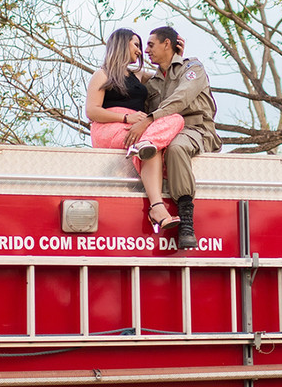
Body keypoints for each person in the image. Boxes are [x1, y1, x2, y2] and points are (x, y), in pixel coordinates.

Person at [125, 25, 220, 250]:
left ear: (167, 44)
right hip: (166, 133)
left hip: (197, 130)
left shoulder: (193, 67)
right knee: (154, 148)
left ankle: (186, 220)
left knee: (176, 148)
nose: (146, 50)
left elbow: (181, 97)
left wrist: (148, 120)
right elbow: (129, 83)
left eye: (150, 44)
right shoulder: (153, 82)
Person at [86, 29, 185, 232]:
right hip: (110, 128)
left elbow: (167, 80)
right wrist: (125, 117)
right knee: (151, 147)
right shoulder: (102, 74)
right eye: (136, 45)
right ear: (122, 44)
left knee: (175, 119)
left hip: (139, 129)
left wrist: (177, 57)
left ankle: (144, 147)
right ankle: (157, 207)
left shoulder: (139, 76)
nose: (141, 51)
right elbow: (92, 111)